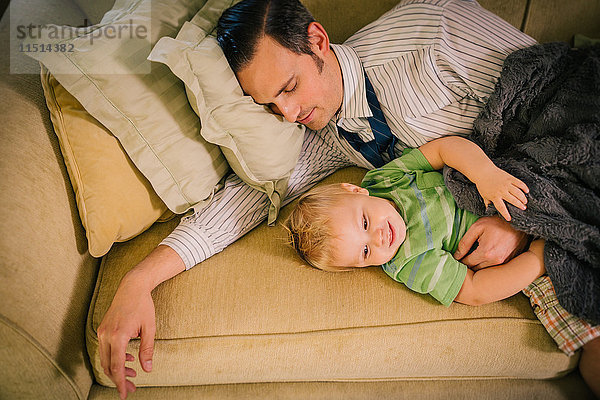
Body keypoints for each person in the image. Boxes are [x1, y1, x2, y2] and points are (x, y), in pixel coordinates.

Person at [98, 1, 599, 398]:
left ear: (317, 40)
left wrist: (519, 218)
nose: (289, 112)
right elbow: (242, 204)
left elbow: (540, 88)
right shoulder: (325, 134)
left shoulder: (426, 35)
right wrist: (140, 279)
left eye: (290, 87)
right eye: (269, 104)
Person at [284, 135, 546, 308]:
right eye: (365, 252)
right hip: (529, 233)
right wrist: (537, 259)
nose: (378, 238)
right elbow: (475, 291)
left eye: (364, 223)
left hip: (504, 179)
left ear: (356, 190)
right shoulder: (409, 262)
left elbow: (444, 150)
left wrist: (486, 175)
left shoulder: (385, 180)